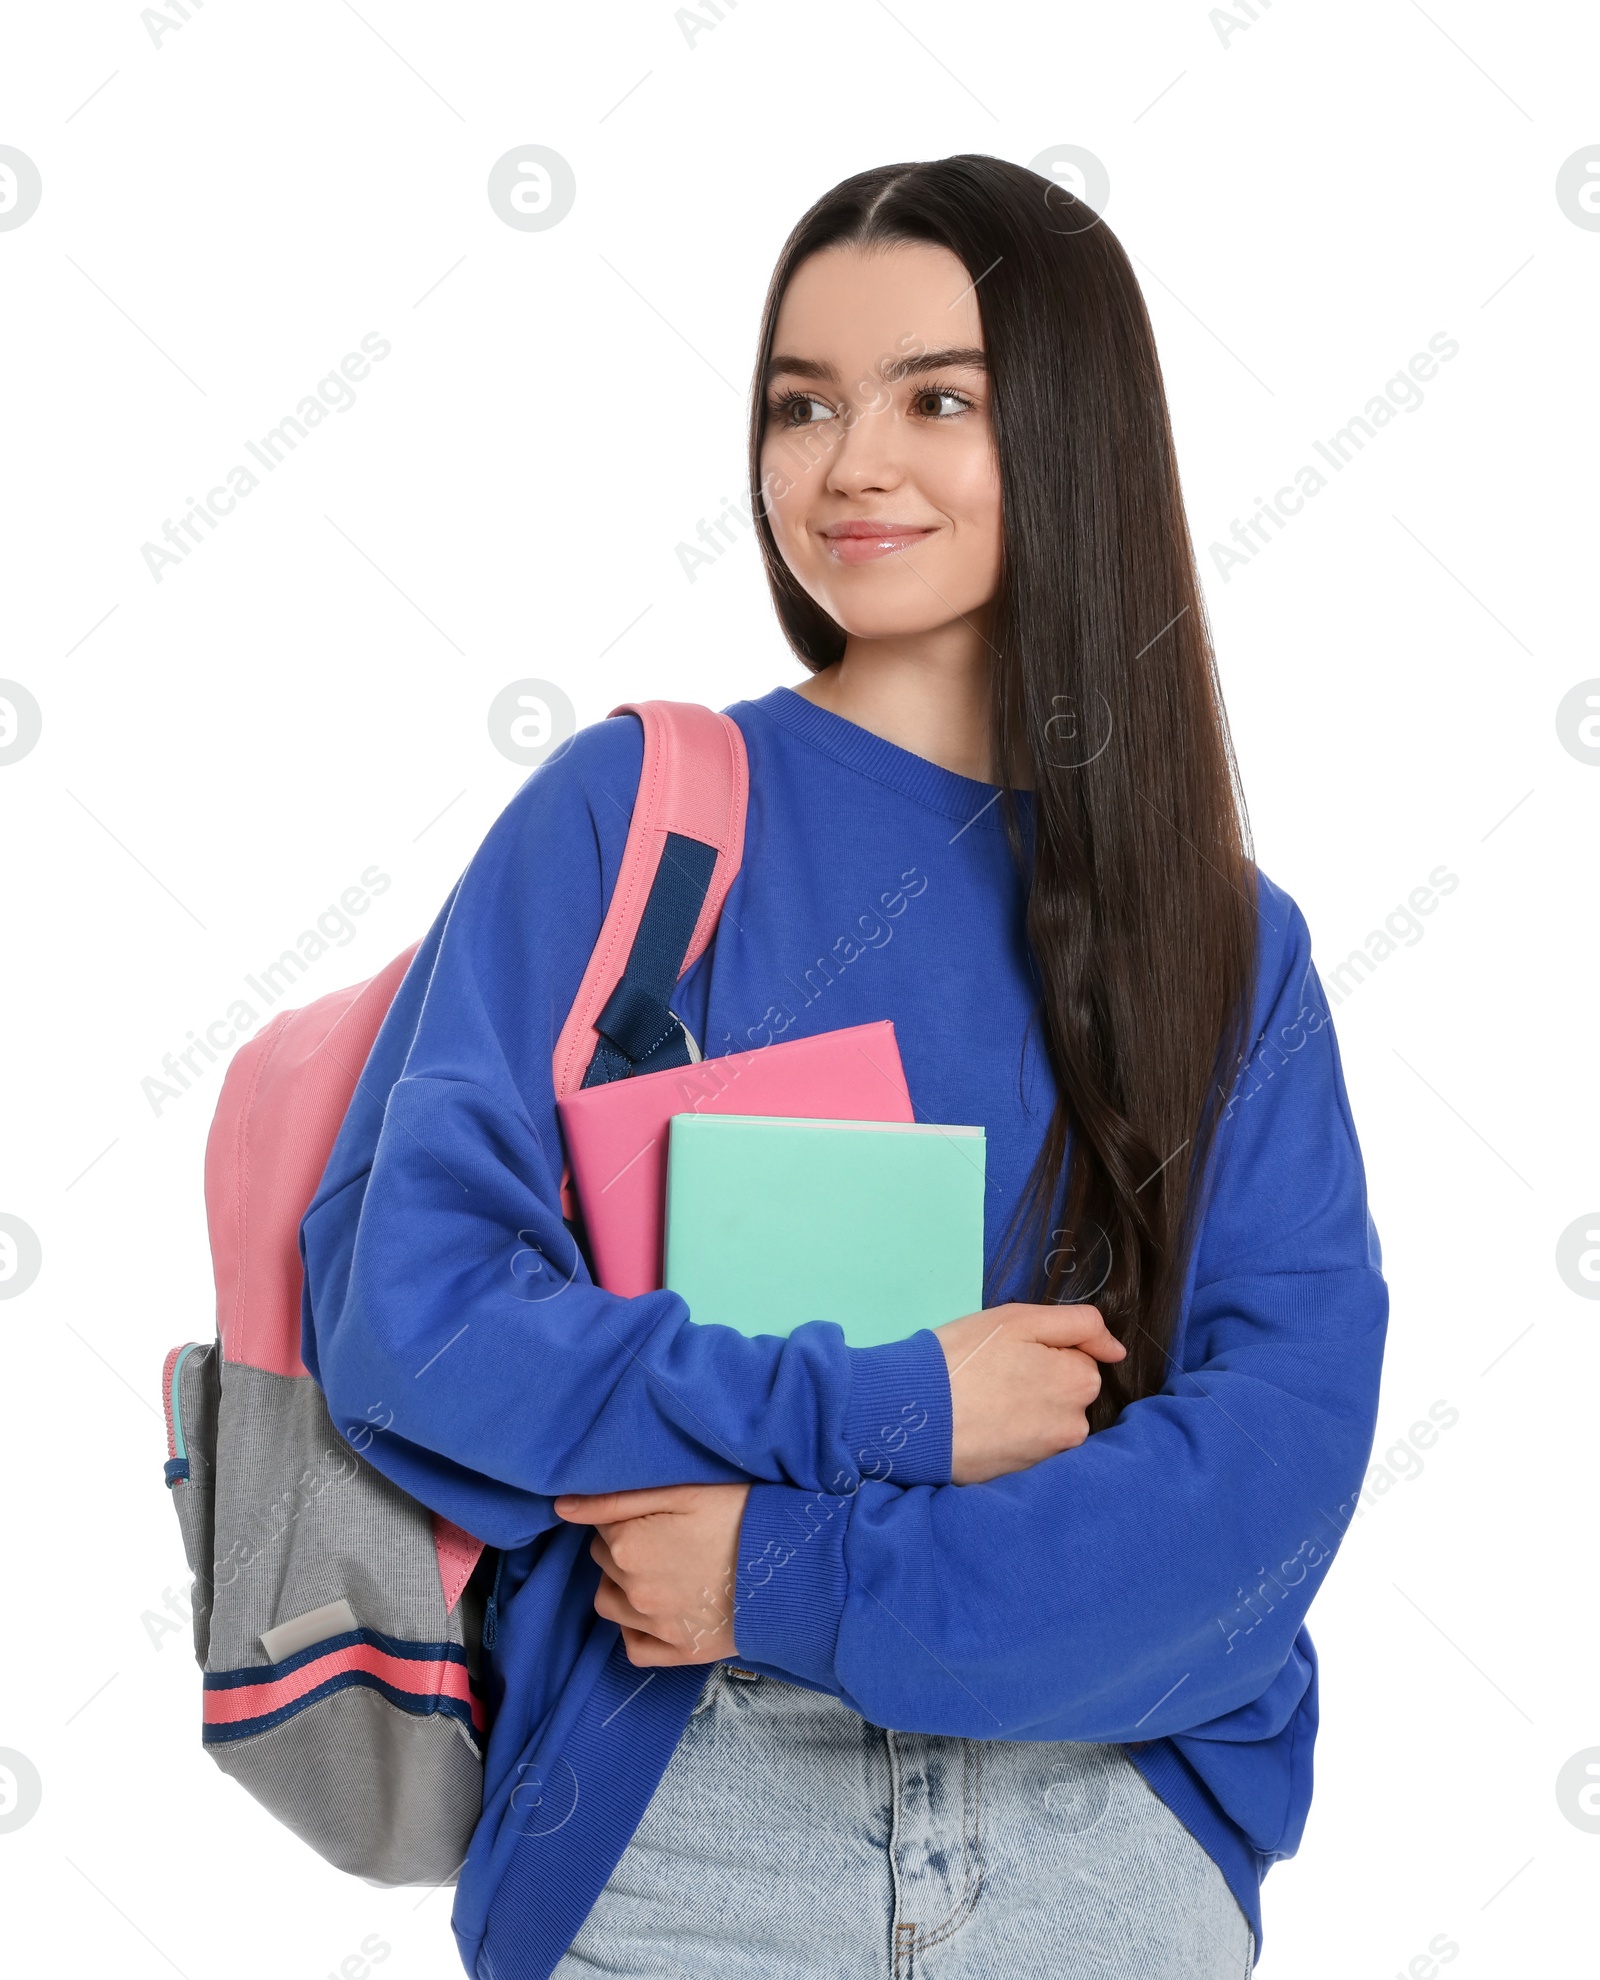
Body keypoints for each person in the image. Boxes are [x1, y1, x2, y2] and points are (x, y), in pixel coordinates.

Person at [301, 154, 1388, 1980]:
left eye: (936, 399)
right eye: (801, 405)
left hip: (1098, 1840)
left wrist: (787, 1573)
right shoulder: (631, 831)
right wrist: (890, 1409)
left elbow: (1270, 1470)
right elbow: (412, 1317)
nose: (848, 462)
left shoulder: (1227, 940)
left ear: (1073, 431)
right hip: (681, 1823)